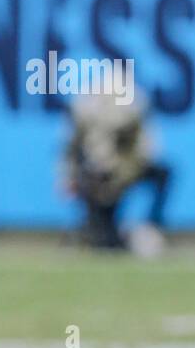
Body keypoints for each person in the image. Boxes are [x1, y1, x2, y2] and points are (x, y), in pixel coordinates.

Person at [62, 83, 171, 254]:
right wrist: (70, 177)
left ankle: (150, 225)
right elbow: (72, 152)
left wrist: (121, 174)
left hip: (124, 174)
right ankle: (96, 230)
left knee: (164, 174)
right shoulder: (86, 117)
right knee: (106, 244)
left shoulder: (135, 121)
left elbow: (146, 153)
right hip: (101, 181)